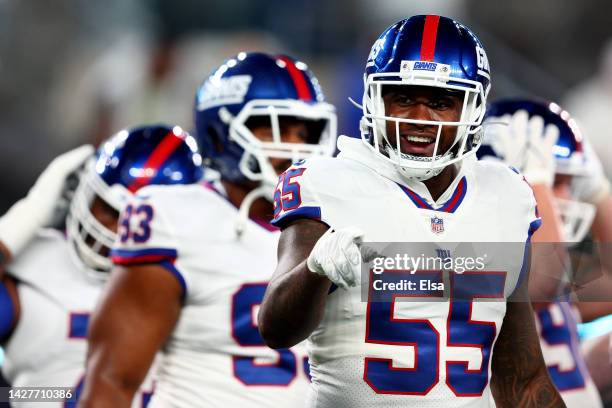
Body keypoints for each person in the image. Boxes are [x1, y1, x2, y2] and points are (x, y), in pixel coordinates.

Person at [258, 15, 565, 407]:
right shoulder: (327, 182)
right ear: (374, 98)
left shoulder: (505, 195)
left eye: (440, 102)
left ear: (472, 108)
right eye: (404, 98)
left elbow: (522, 380)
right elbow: (275, 329)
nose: (420, 119)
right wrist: (315, 270)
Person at [79, 52, 337, 407]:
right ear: (220, 134)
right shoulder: (173, 217)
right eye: (271, 128)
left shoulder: (342, 223)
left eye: (303, 130)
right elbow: (112, 381)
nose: (294, 147)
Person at [0, 124, 203, 407]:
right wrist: (24, 219)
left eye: (141, 222)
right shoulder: (36, 263)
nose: (118, 232)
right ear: (84, 191)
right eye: (110, 210)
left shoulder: (206, 280)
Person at [480, 98, 605, 408]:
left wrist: (598, 189)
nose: (563, 197)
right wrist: (534, 183)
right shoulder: (482, 254)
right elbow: (541, 283)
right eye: (555, 182)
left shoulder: (561, 262)